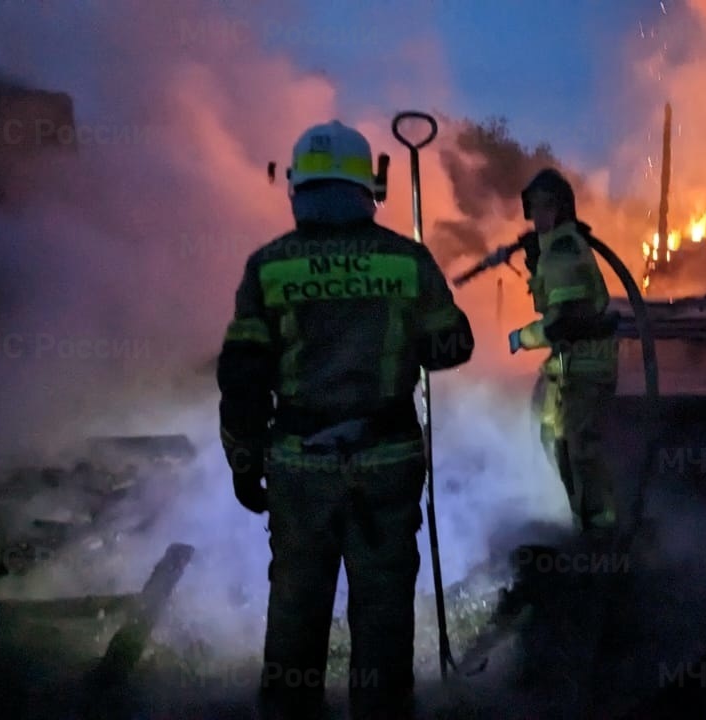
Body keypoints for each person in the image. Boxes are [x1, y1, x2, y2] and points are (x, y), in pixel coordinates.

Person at [216, 119, 473, 719]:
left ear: (298, 188)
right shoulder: (407, 262)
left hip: (299, 466)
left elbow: (244, 375)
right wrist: (407, 338)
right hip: (387, 464)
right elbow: (452, 346)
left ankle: (288, 711)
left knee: (297, 606)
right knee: (383, 611)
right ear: (370, 187)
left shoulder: (269, 267)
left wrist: (244, 458)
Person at [508, 168, 620, 542]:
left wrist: (522, 337)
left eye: (543, 208)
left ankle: (601, 531)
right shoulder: (554, 249)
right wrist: (533, 263)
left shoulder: (563, 250)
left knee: (578, 448)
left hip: (586, 365)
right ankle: (580, 518)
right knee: (552, 438)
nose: (536, 217)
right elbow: (553, 304)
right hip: (568, 366)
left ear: (560, 209)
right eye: (533, 209)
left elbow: (565, 322)